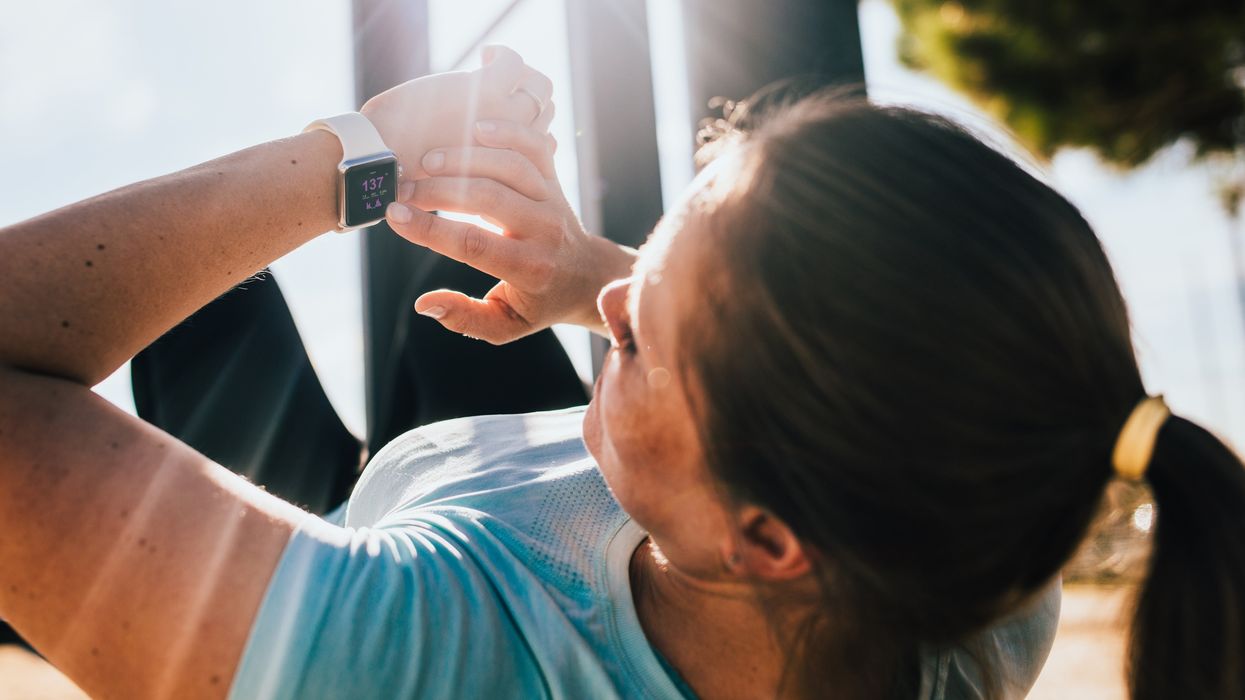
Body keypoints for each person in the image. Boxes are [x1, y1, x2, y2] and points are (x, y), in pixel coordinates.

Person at [0, 46, 1241, 700]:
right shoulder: (970, 553)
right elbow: (882, 344)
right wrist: (589, 268)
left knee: (197, 297)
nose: (608, 301)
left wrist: (361, 152)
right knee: (464, 256)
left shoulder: (397, 661)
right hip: (522, 483)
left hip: (346, 536)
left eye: (641, 332)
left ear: (765, 539)